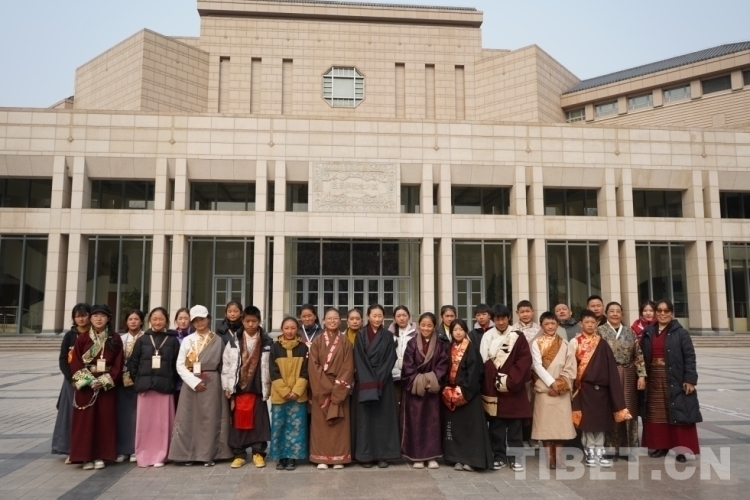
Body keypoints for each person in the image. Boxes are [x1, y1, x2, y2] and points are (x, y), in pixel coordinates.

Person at [168, 305, 233, 466]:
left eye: (202, 319)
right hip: (191, 383)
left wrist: (226, 386)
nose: (199, 323)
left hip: (213, 383)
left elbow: (225, 364)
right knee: (189, 419)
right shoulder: (188, 340)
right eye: (196, 320)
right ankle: (187, 454)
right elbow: (180, 365)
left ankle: (208, 454)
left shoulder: (217, 340)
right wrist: (194, 382)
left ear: (208, 319)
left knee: (210, 419)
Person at [641, 299, 701, 463]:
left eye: (666, 311)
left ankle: (681, 450)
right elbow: (641, 355)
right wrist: (642, 376)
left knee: (678, 412)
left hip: (675, 378)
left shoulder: (681, 333)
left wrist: (690, 379)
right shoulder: (648, 331)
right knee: (657, 413)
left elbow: (690, 357)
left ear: (671, 313)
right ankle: (661, 446)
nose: (662, 314)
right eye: (659, 311)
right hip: (654, 377)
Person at [570, 309, 631, 468]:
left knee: (601, 422)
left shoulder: (602, 343)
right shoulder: (575, 342)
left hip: (602, 390)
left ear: (597, 324)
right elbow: (571, 366)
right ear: (580, 324)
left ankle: (600, 451)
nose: (590, 325)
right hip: (584, 389)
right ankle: (589, 451)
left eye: (593, 322)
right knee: (587, 422)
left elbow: (610, 367)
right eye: (587, 322)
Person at [69, 304, 124, 470]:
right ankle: (84, 457)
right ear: (90, 319)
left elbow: (118, 364)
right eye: (95, 316)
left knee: (104, 421)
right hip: (87, 385)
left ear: (108, 319)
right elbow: (75, 362)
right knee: (84, 422)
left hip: (105, 385)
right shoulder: (83, 338)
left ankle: (102, 455)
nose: (99, 319)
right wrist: (88, 381)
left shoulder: (115, 338)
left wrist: (105, 381)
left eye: (102, 316)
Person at [479, 304, 532, 472]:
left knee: (515, 426)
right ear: (493, 320)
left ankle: (516, 458)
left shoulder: (518, 336)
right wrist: (495, 378)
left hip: (514, 387)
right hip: (493, 387)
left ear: (509, 317)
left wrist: (510, 381)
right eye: (497, 319)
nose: (501, 322)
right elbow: (484, 360)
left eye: (503, 318)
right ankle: (499, 456)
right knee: (497, 425)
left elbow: (524, 360)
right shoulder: (487, 335)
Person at [221, 306, 272, 469]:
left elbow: (270, 366)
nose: (250, 324)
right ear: (242, 321)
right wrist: (227, 385)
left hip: (257, 385)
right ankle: (239, 453)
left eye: (254, 321)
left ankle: (258, 452)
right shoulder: (234, 341)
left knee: (258, 421)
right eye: (247, 321)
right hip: (239, 387)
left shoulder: (266, 341)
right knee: (238, 422)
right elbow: (226, 365)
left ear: (259, 322)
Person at [129, 307, 180, 468]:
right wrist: (139, 380)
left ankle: (162, 455)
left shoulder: (172, 340)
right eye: (154, 319)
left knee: (162, 424)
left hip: (164, 388)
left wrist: (170, 381)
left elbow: (177, 365)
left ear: (167, 321)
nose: (157, 322)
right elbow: (133, 363)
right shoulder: (142, 339)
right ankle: (143, 454)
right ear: (149, 320)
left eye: (161, 319)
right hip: (145, 388)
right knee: (145, 425)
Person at [442, 319, 494, 472]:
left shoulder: (471, 348)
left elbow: (475, 371)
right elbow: (444, 369)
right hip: (451, 393)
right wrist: (447, 389)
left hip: (468, 393)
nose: (458, 332)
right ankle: (457, 458)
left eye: (461, 329)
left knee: (471, 428)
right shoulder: (448, 348)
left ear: (465, 331)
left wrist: (463, 390)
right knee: (456, 428)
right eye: (455, 330)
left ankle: (472, 460)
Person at [598, 302, 647, 460]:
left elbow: (638, 354)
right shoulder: (600, 331)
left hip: (629, 374)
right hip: (609, 376)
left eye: (618, 311)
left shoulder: (629, 332)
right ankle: (610, 448)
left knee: (629, 411)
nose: (615, 314)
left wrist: (641, 375)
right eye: (611, 311)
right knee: (611, 411)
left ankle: (628, 449)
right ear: (606, 314)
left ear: (622, 314)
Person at [400, 312, 449, 469]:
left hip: (432, 390)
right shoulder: (412, 343)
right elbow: (408, 366)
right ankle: (417, 457)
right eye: (423, 325)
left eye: (429, 325)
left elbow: (443, 365)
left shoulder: (440, 344)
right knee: (416, 424)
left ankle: (432, 457)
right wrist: (421, 381)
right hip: (415, 389)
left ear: (434, 327)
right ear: (419, 325)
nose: (426, 328)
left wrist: (431, 381)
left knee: (432, 423)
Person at [354, 304, 400, 468]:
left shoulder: (388, 336)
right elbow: (359, 359)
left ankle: (383, 455)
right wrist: (370, 381)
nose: (377, 319)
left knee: (383, 419)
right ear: (368, 316)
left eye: (380, 316)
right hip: (365, 382)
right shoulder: (360, 335)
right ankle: (366, 456)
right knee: (366, 420)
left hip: (383, 383)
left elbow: (390, 358)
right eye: (374, 316)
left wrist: (378, 380)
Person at [309, 308, 355, 470]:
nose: (332, 321)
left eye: (335, 318)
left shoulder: (345, 342)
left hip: (339, 388)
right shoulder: (317, 342)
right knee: (321, 425)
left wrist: (337, 389)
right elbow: (313, 367)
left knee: (340, 426)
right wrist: (326, 388)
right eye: (329, 318)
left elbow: (348, 367)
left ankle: (339, 457)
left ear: (340, 321)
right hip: (321, 389)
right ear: (323, 321)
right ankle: (321, 456)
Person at [530, 312, 577, 469]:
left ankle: (558, 456)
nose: (550, 327)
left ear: (557, 324)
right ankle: (549, 457)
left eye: (553, 323)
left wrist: (560, 385)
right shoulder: (536, 343)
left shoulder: (565, 344)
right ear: (541, 325)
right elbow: (536, 366)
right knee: (545, 426)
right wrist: (551, 383)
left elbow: (570, 366)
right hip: (544, 390)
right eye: (546, 324)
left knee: (560, 425)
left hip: (561, 390)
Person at [268, 317, 309, 471]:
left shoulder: (303, 348)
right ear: (282, 329)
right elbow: (273, 371)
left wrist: (297, 391)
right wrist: (285, 391)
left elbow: (306, 371)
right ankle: (281, 457)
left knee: (296, 427)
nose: (290, 331)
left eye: (293, 328)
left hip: (298, 396)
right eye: (286, 328)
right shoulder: (275, 348)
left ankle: (292, 457)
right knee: (279, 426)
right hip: (280, 395)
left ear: (297, 329)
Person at [51, 303, 91, 462]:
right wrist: (72, 379)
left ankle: (86, 449)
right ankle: (69, 449)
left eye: (84, 315)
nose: (81, 319)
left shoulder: (95, 334)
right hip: (72, 381)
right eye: (78, 316)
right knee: (69, 414)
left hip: (91, 380)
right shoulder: (70, 336)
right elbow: (63, 360)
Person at [116, 309, 144, 463]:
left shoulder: (146, 338)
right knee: (123, 416)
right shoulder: (120, 339)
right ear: (126, 322)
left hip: (140, 381)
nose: (133, 322)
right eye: (130, 319)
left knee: (138, 417)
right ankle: (122, 449)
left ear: (141, 321)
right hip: (122, 381)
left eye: (136, 319)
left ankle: (135, 449)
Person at [389, 305, 417, 406]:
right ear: (394, 318)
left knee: (410, 405)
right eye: (398, 316)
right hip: (393, 376)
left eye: (404, 315)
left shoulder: (416, 333)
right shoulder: (388, 334)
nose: (402, 318)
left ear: (409, 316)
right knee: (396, 404)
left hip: (411, 376)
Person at [173, 307, 192, 409]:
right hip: (175, 378)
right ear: (176, 320)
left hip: (190, 377)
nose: (183, 321)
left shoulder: (194, 336)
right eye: (180, 318)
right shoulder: (171, 336)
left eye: (186, 318)